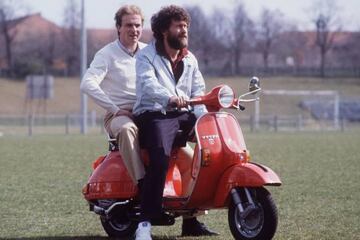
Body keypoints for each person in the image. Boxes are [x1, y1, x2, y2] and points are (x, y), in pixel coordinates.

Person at [133, 5, 218, 240]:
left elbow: (199, 92)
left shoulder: (189, 59)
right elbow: (148, 86)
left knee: (210, 148)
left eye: (186, 26)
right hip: (155, 113)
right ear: (163, 30)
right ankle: (144, 224)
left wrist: (204, 119)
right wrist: (169, 97)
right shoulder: (146, 56)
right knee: (160, 158)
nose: (184, 30)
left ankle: (191, 221)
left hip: (182, 113)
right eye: (179, 26)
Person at [80, 5, 146, 186]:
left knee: (180, 138)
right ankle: (143, 185)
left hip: (147, 112)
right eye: (129, 25)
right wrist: (115, 109)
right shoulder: (106, 54)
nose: (134, 30)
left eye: (138, 25)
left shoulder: (150, 53)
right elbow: (87, 83)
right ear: (118, 27)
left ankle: (190, 208)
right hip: (119, 115)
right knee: (126, 129)